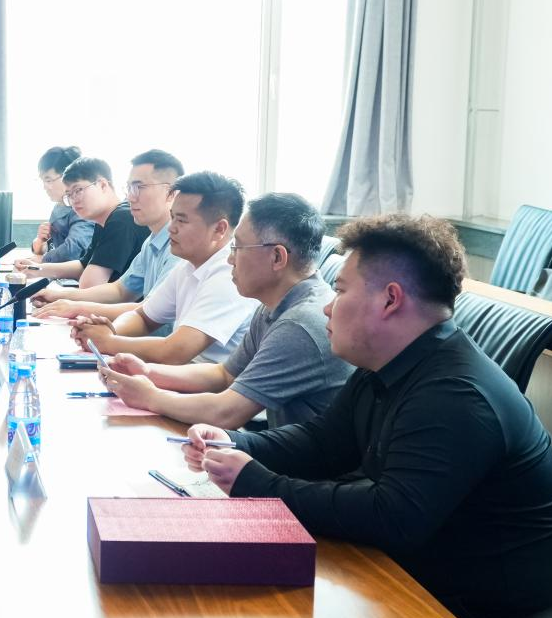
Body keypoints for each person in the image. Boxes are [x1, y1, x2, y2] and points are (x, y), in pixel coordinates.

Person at [183, 214, 552, 618]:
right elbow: (322, 443)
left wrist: (256, 483)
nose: (328, 306)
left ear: (390, 299)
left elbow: (391, 517)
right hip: (411, 572)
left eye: (340, 290)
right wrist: (235, 443)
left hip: (475, 609)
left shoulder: (456, 395)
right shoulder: (387, 363)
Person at [99, 193, 352, 428]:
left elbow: (226, 412)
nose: (230, 259)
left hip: (307, 460)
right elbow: (225, 374)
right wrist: (148, 372)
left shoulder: (299, 325)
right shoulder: (274, 306)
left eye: (237, 248)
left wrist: (150, 396)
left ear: (277, 257)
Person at [73, 171, 257, 365]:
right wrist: (111, 331)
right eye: (172, 217)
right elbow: (143, 317)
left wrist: (110, 341)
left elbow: (176, 351)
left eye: (181, 220)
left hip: (205, 379)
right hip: (178, 374)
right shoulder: (188, 265)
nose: (171, 228)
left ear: (219, 229)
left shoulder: (229, 274)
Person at [32, 150, 183, 320]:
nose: (130, 197)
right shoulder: (152, 242)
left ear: (172, 193)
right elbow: (120, 290)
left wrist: (77, 307)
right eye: (129, 188)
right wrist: (60, 296)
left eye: (139, 187)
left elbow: (151, 310)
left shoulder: (180, 248)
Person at [13, 157, 149, 288]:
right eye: (69, 195)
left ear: (102, 185)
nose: (74, 200)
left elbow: (89, 285)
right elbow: (83, 265)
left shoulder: (121, 219)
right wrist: (35, 269)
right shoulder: (103, 221)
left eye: (78, 190)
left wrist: (57, 295)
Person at [30, 146, 95, 263]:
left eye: (48, 180)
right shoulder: (60, 205)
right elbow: (53, 247)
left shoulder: (83, 207)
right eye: (43, 180)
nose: (45, 187)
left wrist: (43, 259)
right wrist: (40, 243)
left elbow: (73, 251)